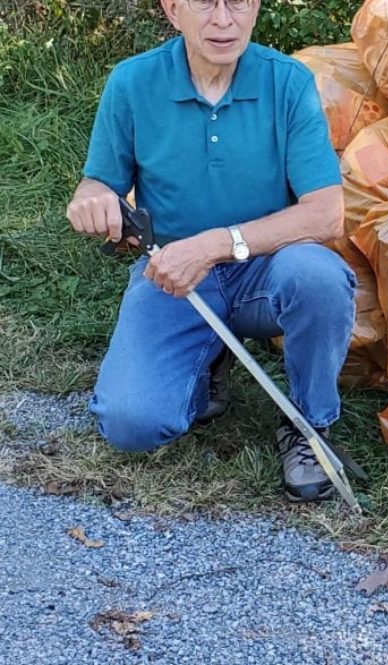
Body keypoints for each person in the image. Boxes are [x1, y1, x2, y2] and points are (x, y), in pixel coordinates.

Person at [65, 0, 357, 503]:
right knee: (131, 423)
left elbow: (326, 215)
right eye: (204, 2)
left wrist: (216, 244)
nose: (223, 19)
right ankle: (207, 362)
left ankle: (309, 425)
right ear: (172, 9)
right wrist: (91, 199)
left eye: (237, 2)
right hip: (174, 274)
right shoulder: (133, 82)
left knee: (320, 276)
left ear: (255, 8)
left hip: (267, 269)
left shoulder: (288, 82)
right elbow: (99, 183)